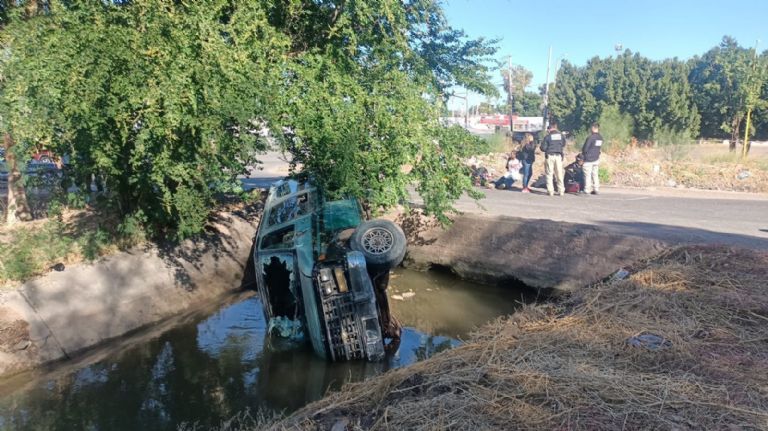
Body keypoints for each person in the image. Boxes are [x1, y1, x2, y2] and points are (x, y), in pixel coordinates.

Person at [540, 122, 566, 196]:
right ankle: (561, 191)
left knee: (549, 174)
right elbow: (563, 144)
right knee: (559, 174)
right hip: (558, 156)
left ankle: (550, 191)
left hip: (550, 156)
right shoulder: (561, 136)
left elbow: (543, 148)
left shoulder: (548, 137)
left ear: (549, 128)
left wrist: (548, 148)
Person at [581, 122, 603, 195]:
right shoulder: (600, 138)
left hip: (588, 159)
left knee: (587, 175)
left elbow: (585, 148)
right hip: (596, 158)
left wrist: (583, 156)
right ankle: (596, 189)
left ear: (593, 128)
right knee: (595, 174)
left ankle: (587, 190)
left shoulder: (590, 137)